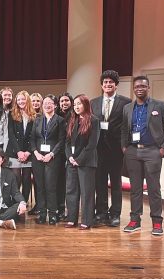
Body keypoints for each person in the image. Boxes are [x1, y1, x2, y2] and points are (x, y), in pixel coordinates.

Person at [121, 75, 164, 236]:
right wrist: (124, 148)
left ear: (148, 88)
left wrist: (162, 149)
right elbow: (124, 130)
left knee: (154, 189)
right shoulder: (127, 108)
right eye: (137, 86)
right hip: (133, 151)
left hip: (153, 151)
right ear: (133, 89)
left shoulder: (159, 105)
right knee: (135, 189)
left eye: (143, 86)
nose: (140, 88)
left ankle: (157, 222)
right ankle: (135, 220)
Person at [90, 70, 131, 227]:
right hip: (98, 150)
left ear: (116, 85)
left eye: (111, 82)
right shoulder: (93, 102)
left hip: (116, 151)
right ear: (101, 85)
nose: (108, 84)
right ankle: (101, 212)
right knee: (99, 183)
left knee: (115, 183)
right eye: (105, 82)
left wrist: (124, 147)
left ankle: (115, 214)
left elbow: (128, 126)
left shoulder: (126, 102)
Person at [64, 95, 100, 230]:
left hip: (86, 162)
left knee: (86, 192)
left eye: (79, 104)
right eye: (75, 105)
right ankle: (71, 219)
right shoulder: (72, 119)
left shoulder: (94, 120)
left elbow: (92, 144)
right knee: (71, 191)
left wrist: (79, 159)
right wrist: (70, 157)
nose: (76, 107)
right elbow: (67, 142)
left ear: (85, 104)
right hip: (72, 161)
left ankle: (86, 220)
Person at [30, 94, 65, 224]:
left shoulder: (60, 120)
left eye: (50, 102)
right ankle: (42, 214)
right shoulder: (38, 120)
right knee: (40, 186)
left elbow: (62, 140)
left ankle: (53, 214)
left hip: (52, 158)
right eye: (45, 102)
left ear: (55, 105)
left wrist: (51, 154)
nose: (47, 105)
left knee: (51, 186)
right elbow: (32, 139)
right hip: (38, 158)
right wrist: (36, 153)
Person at [6, 91, 36, 203]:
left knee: (27, 179)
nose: (20, 102)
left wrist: (28, 152)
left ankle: (24, 202)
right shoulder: (11, 114)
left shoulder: (34, 115)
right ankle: (15, 202)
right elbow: (11, 134)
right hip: (14, 151)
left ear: (27, 100)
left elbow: (34, 135)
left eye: (23, 99)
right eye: (18, 100)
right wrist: (19, 151)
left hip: (28, 152)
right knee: (16, 178)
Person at [56, 92, 74, 221]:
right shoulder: (56, 116)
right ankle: (60, 208)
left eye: (66, 100)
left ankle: (71, 211)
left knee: (70, 184)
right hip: (58, 153)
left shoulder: (74, 115)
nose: (64, 103)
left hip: (71, 153)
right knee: (59, 183)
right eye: (62, 101)